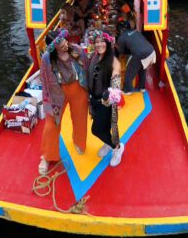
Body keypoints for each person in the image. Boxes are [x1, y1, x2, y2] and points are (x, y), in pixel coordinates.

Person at [37, 30, 89, 175]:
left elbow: (88, 66)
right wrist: (48, 99)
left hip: (79, 88)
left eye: (64, 41)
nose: (65, 44)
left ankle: (79, 142)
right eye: (60, 44)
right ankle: (47, 156)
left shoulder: (77, 50)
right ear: (54, 48)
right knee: (51, 124)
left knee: (80, 118)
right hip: (57, 93)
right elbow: (44, 80)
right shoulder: (47, 58)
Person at [84, 31, 125, 167]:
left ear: (108, 43)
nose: (99, 44)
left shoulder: (114, 62)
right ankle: (108, 144)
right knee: (103, 126)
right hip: (93, 99)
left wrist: (110, 93)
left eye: (102, 41)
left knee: (96, 130)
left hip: (105, 103)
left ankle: (117, 148)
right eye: (97, 42)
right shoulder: (94, 56)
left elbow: (116, 81)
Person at [115, 20, 158, 91]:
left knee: (129, 72)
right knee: (142, 69)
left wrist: (117, 46)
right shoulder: (136, 32)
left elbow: (121, 52)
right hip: (151, 52)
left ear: (119, 30)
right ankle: (142, 87)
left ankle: (127, 90)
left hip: (140, 54)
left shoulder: (121, 37)